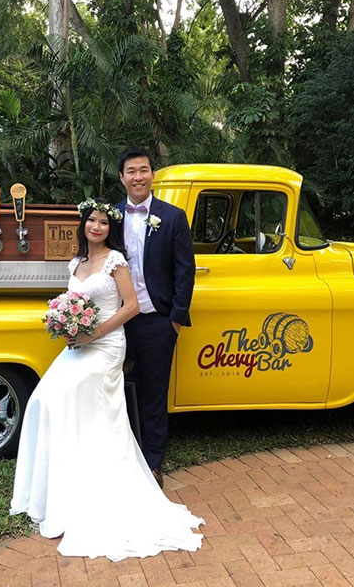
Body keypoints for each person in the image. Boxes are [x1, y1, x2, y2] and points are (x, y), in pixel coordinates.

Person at [10, 198, 204, 561]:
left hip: (106, 345)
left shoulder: (116, 261)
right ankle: (60, 487)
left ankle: (103, 483)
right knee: (44, 397)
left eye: (102, 222)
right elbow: (72, 303)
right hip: (78, 346)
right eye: (91, 221)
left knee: (74, 393)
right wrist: (65, 323)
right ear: (83, 225)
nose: (96, 227)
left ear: (109, 228)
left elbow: (131, 306)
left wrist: (93, 332)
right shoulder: (76, 262)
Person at [115, 146, 195, 489]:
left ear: (152, 175)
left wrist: (174, 319)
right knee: (115, 392)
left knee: (153, 394)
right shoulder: (111, 216)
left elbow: (184, 270)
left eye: (143, 170)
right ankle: (120, 460)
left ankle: (151, 463)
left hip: (157, 321)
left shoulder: (173, 216)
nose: (138, 177)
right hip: (116, 322)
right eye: (131, 171)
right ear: (122, 178)